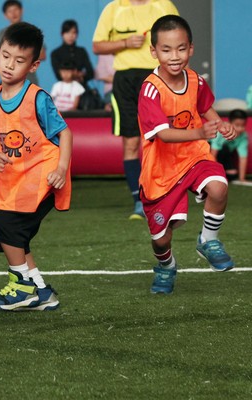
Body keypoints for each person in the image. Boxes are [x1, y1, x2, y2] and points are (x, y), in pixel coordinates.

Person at [137, 15, 237, 294]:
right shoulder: (150, 89)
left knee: (218, 187)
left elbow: (206, 110)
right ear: (154, 51)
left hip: (194, 156)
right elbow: (163, 134)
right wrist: (201, 133)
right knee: (160, 239)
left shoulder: (195, 80)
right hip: (161, 171)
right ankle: (166, 266)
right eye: (166, 50)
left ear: (191, 48)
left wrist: (220, 124)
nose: (174, 56)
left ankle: (208, 240)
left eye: (181, 48)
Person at [0, 22, 72, 311]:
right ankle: (42, 293)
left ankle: (22, 288)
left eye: (19, 61)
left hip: (44, 174)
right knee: (15, 237)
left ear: (33, 65)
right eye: (6, 56)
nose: (10, 65)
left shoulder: (37, 98)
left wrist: (62, 168)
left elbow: (65, 133)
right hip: (14, 180)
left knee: (5, 227)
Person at [93, 0, 178, 220]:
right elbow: (97, 46)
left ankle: (165, 195)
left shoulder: (163, 5)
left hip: (157, 76)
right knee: (131, 141)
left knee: (162, 139)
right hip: (124, 80)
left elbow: (180, 39)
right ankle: (139, 201)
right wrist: (125, 42)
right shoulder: (113, 8)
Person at [0, 0, 43, 86]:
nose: (13, 13)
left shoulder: (32, 31)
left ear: (22, 10)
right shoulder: (3, 33)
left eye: (16, 10)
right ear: (5, 15)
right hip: (10, 80)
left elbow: (42, 54)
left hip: (29, 79)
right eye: (10, 11)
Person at [50, 19, 94, 86]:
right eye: (67, 32)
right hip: (64, 91)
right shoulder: (56, 53)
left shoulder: (81, 51)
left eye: (73, 32)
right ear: (62, 34)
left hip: (82, 88)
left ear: (77, 34)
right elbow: (59, 76)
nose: (71, 36)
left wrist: (75, 76)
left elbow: (91, 73)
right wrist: (79, 74)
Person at [210, 109, 249, 184]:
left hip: (225, 157)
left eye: (243, 125)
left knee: (233, 175)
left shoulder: (243, 136)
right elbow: (212, 154)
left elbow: (243, 158)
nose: (240, 129)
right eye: (237, 125)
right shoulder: (221, 131)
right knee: (224, 148)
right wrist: (213, 174)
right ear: (230, 123)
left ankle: (224, 172)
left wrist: (242, 179)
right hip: (210, 152)